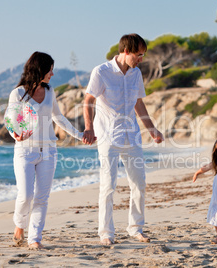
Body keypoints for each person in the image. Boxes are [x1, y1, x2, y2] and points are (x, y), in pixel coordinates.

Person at [83, 33, 164, 245]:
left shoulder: (136, 74)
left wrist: (152, 129)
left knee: (139, 183)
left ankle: (135, 228)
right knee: (108, 185)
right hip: (108, 136)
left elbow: (138, 103)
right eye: (139, 54)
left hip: (132, 136)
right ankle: (106, 233)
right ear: (125, 51)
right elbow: (88, 100)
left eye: (143, 55)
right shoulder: (101, 72)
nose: (141, 59)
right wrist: (89, 128)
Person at [9, 51, 83, 249]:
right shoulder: (17, 94)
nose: (52, 73)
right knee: (25, 195)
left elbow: (59, 118)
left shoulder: (50, 91)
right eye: (50, 69)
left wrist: (79, 135)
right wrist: (15, 134)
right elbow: (10, 120)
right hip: (25, 150)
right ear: (39, 69)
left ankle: (35, 238)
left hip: (49, 151)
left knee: (42, 197)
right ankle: (19, 224)